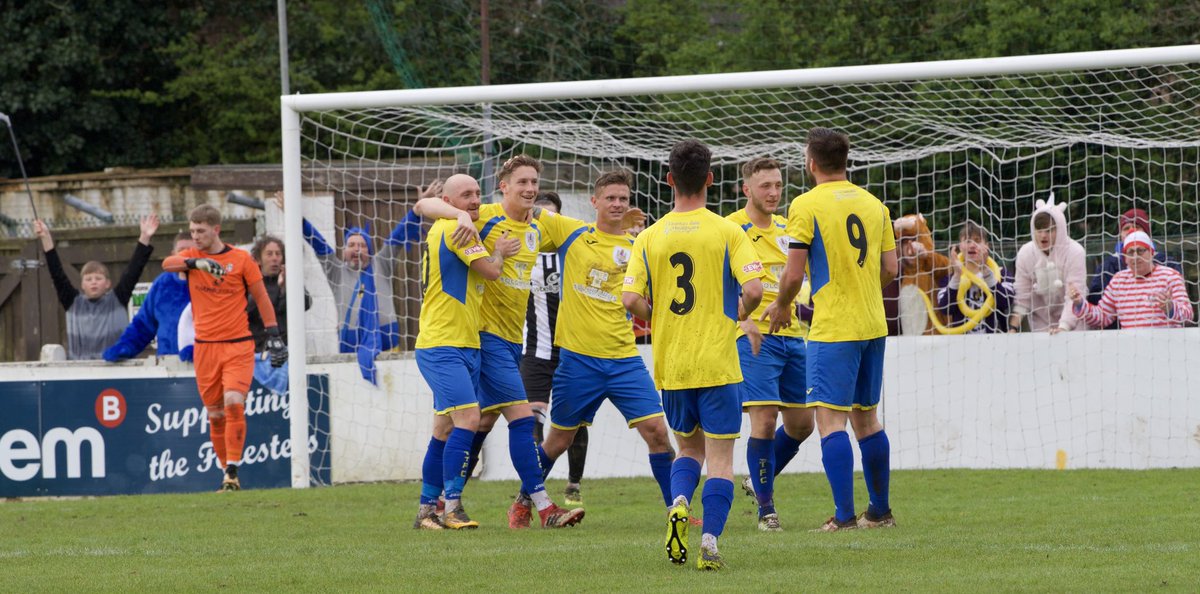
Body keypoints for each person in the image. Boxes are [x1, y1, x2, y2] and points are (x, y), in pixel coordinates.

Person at [413, 155, 585, 529]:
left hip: (506, 340)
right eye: (521, 182)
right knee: (519, 419)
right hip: (481, 336)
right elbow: (424, 204)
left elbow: (581, 232)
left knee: (462, 424)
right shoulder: (479, 219)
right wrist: (459, 215)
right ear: (503, 186)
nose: (529, 189)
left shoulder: (538, 227)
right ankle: (541, 506)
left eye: (534, 182)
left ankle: (435, 504)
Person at [623, 139, 765, 571]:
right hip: (719, 361)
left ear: (669, 180)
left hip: (673, 364)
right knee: (721, 460)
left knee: (688, 453)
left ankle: (679, 500)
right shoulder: (727, 231)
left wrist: (659, 318)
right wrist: (738, 313)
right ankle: (709, 542)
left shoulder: (649, 236)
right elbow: (755, 289)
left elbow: (630, 300)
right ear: (710, 178)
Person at [762, 127, 898, 533]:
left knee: (830, 422)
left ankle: (843, 517)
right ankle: (879, 513)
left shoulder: (806, 205)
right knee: (868, 420)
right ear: (846, 159)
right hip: (873, 324)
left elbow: (793, 272)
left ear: (811, 162)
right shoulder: (875, 204)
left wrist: (783, 304)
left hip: (834, 328)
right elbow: (891, 269)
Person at [519, 170, 675, 517]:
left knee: (657, 433)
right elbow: (525, 206)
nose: (617, 204)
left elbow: (648, 301)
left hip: (624, 360)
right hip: (578, 361)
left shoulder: (638, 248)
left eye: (623, 198)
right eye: (610, 198)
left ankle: (675, 510)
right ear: (595, 202)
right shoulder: (572, 231)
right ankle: (523, 502)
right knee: (558, 440)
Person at [412, 174, 515, 530]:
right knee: (469, 420)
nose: (473, 200)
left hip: (462, 342)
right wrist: (500, 251)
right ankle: (453, 506)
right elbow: (490, 271)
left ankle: (427, 512)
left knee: (442, 429)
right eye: (465, 195)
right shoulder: (458, 230)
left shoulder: (451, 222)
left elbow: (422, 204)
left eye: (476, 193)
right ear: (450, 200)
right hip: (443, 344)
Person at [162, 205, 288, 492]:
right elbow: (167, 264)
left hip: (238, 346)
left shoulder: (241, 259)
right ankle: (227, 476)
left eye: (201, 231)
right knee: (215, 414)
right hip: (205, 349)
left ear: (216, 230)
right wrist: (196, 265)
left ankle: (232, 469)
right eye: (192, 231)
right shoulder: (191, 257)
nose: (195, 236)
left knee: (234, 401)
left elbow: (262, 298)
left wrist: (274, 335)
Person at [726, 157, 814, 532]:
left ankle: (758, 479)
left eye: (778, 185)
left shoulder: (787, 227)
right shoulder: (731, 228)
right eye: (766, 186)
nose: (774, 192)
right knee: (763, 421)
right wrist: (742, 320)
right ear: (747, 189)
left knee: (802, 425)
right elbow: (719, 283)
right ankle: (767, 511)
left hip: (793, 335)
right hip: (753, 339)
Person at [519, 191, 591, 506]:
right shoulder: (520, 250)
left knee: (575, 422)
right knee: (532, 421)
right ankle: (534, 487)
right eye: (539, 215)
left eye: (550, 216)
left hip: (570, 349)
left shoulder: (572, 252)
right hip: (535, 351)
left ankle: (573, 484)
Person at [35, 215, 158, 360]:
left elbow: (133, 270)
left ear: (107, 284)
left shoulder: (117, 299)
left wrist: (144, 237)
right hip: (80, 372)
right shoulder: (72, 302)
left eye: (98, 278)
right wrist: (46, 237)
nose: (93, 282)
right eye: (88, 279)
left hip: (115, 368)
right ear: (82, 284)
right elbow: (57, 273)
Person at [1069, 230, 1193, 329]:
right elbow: (1102, 317)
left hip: (1166, 349)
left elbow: (1188, 316)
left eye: (1140, 251)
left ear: (1151, 253)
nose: (1135, 256)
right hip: (1131, 350)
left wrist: (1170, 308)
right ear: (1125, 258)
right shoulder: (1118, 280)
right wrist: (1080, 304)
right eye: (1130, 252)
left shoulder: (1170, 276)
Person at [103, 230, 195, 361]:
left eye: (191, 250)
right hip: (167, 366)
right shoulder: (162, 284)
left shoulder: (211, 284)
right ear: (173, 255)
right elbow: (143, 324)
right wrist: (125, 347)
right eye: (181, 250)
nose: (185, 254)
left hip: (204, 366)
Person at [1087, 208, 1183, 328]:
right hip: (1120, 336)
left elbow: (1185, 311)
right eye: (1125, 228)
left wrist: (1170, 307)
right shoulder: (1109, 268)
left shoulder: (1168, 265)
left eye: (1136, 227)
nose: (1131, 231)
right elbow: (1100, 310)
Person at [1010, 194, 1086, 334]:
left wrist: (1063, 328)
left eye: (1049, 230)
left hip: (1075, 329)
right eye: (1039, 231)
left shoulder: (1075, 252)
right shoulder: (1026, 254)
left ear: (1060, 229)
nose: (1043, 236)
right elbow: (1022, 297)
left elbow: (1074, 297)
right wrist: (1013, 328)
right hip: (1040, 330)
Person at [247, 234, 312, 393]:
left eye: (278, 254)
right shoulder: (251, 284)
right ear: (259, 260)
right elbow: (254, 311)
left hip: (287, 353)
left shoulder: (290, 281)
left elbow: (306, 303)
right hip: (258, 355)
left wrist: (286, 287)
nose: (274, 258)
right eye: (269, 254)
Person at [935, 221, 1014, 334]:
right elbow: (945, 309)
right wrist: (957, 276)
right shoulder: (950, 279)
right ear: (960, 247)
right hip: (962, 345)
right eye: (967, 241)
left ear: (987, 246)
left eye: (977, 240)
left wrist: (986, 273)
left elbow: (1005, 302)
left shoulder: (1002, 274)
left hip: (995, 344)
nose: (972, 245)